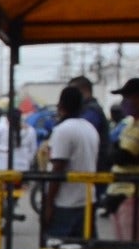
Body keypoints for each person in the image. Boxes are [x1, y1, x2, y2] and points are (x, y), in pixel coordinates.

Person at [105, 78, 139, 242]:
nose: (124, 102)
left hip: (137, 195)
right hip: (122, 194)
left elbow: (122, 157)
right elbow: (114, 154)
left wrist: (118, 154)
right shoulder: (130, 125)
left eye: (128, 97)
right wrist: (118, 153)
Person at [42, 86, 100, 239]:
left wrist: (48, 205)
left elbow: (58, 168)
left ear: (60, 106)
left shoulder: (63, 130)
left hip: (66, 204)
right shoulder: (90, 128)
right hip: (87, 200)